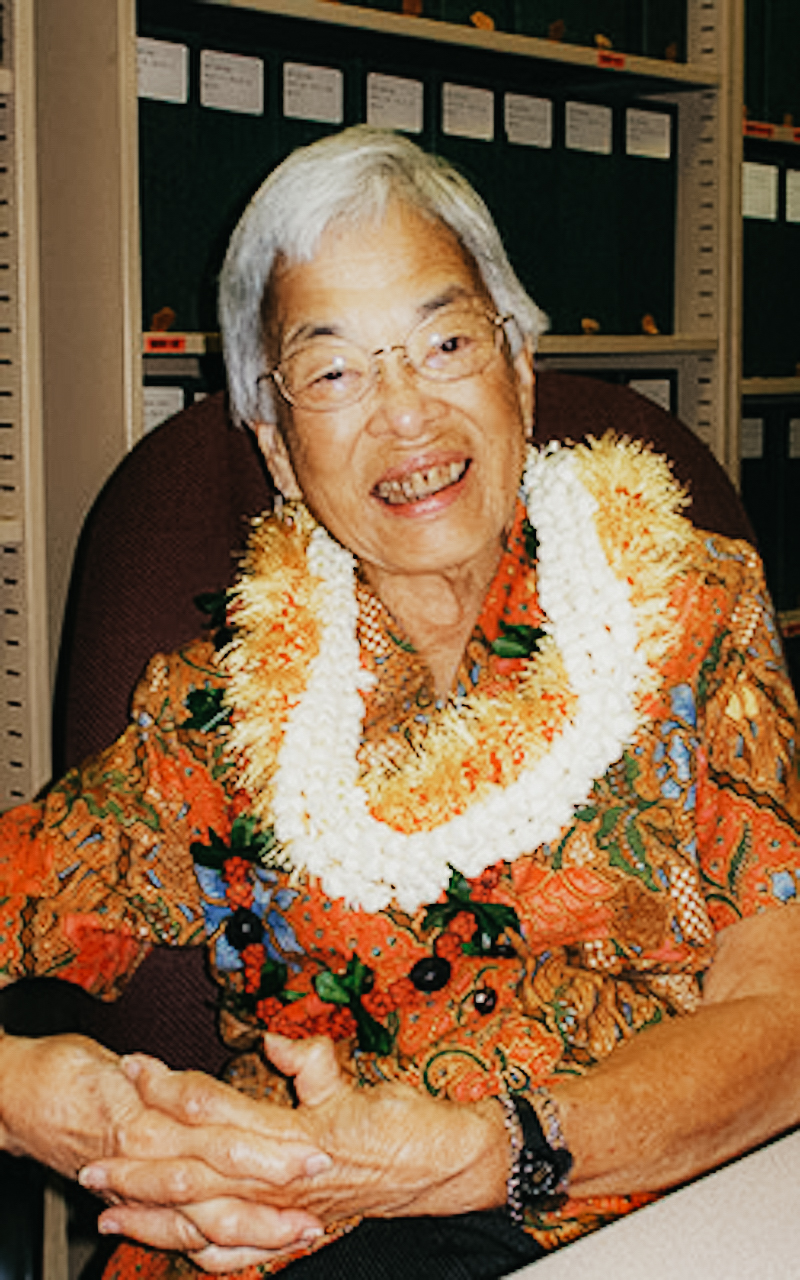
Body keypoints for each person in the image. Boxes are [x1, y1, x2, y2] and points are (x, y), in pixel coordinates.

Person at [1, 125, 800, 1280]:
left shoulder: (687, 612)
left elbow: (781, 1017)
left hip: (638, 1216)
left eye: (442, 341)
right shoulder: (209, 712)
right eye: (333, 370)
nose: (406, 415)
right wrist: (32, 1094)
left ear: (517, 367)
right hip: (297, 1235)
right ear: (276, 444)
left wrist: (494, 1149)